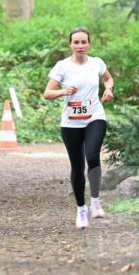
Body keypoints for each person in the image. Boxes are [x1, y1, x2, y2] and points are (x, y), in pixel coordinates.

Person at [43, 27, 114, 229]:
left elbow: (108, 78)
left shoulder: (97, 63)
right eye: (76, 42)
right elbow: (47, 93)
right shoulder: (62, 66)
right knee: (77, 166)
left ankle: (96, 201)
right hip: (71, 122)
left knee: (92, 156)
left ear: (89, 44)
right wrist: (63, 91)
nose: (80, 46)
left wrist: (108, 89)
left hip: (95, 117)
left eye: (84, 42)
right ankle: (81, 210)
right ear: (70, 44)